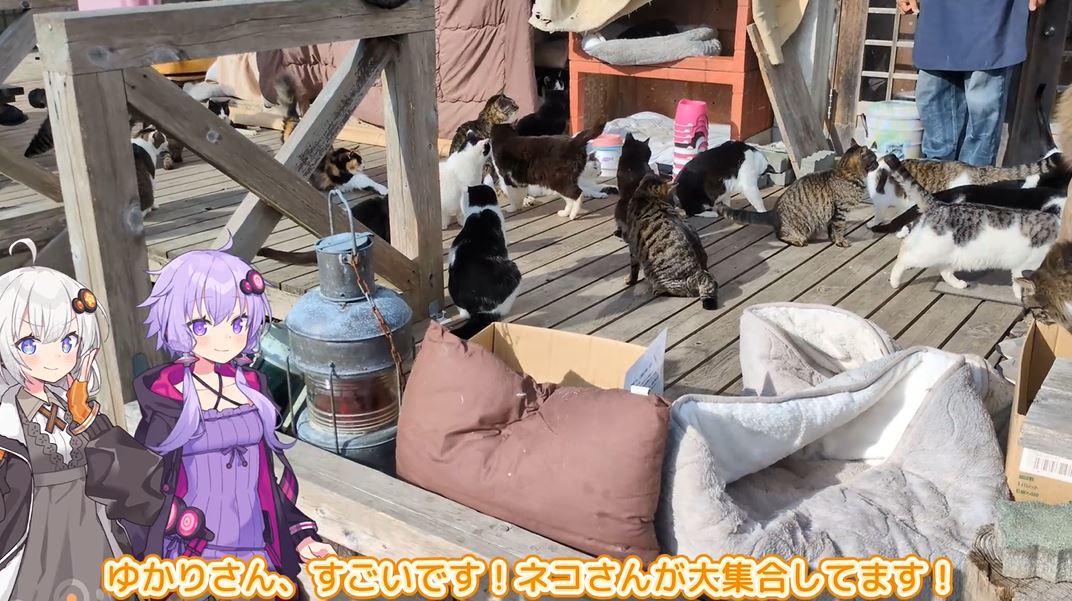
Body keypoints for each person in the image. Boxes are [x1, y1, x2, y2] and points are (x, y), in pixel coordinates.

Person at [128, 241, 333, 591]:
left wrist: (300, 536)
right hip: (192, 555)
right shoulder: (166, 397)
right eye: (202, 324)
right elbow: (142, 487)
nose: (225, 337)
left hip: (256, 552)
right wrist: (172, 521)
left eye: (238, 322)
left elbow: (262, 482)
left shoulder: (252, 388)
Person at [0, 239, 168, 601]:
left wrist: (89, 420)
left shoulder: (79, 407)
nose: (54, 357)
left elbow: (138, 481)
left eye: (67, 341)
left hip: (97, 532)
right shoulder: (6, 422)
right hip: (33, 548)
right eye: (30, 344)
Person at [900, 0, 1045, 166]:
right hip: (937, 12)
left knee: (981, 130)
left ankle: (974, 181)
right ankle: (937, 180)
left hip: (994, 12)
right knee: (935, 126)